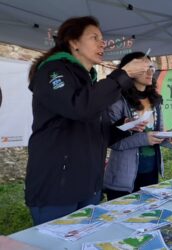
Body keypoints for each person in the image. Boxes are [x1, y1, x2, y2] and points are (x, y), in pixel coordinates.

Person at [25, 16, 150, 225]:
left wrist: (124, 127)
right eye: (94, 38)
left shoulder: (90, 82)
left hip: (88, 186)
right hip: (58, 190)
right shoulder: (52, 71)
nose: (103, 43)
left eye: (102, 39)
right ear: (74, 42)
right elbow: (79, 108)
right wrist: (123, 74)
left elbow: (96, 133)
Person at [103, 51, 172, 200]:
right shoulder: (118, 100)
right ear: (130, 70)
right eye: (144, 67)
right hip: (122, 179)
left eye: (151, 66)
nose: (150, 71)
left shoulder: (155, 100)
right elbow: (112, 142)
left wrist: (167, 137)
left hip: (151, 174)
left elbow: (155, 135)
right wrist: (145, 139)